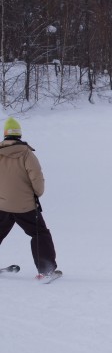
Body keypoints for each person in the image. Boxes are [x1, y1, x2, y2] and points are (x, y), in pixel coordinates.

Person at [0, 117, 61, 279]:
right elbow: (37, 179)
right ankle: (46, 269)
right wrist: (37, 193)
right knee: (40, 234)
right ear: (19, 134)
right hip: (25, 206)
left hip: (2, 204)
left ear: (5, 135)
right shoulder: (26, 154)